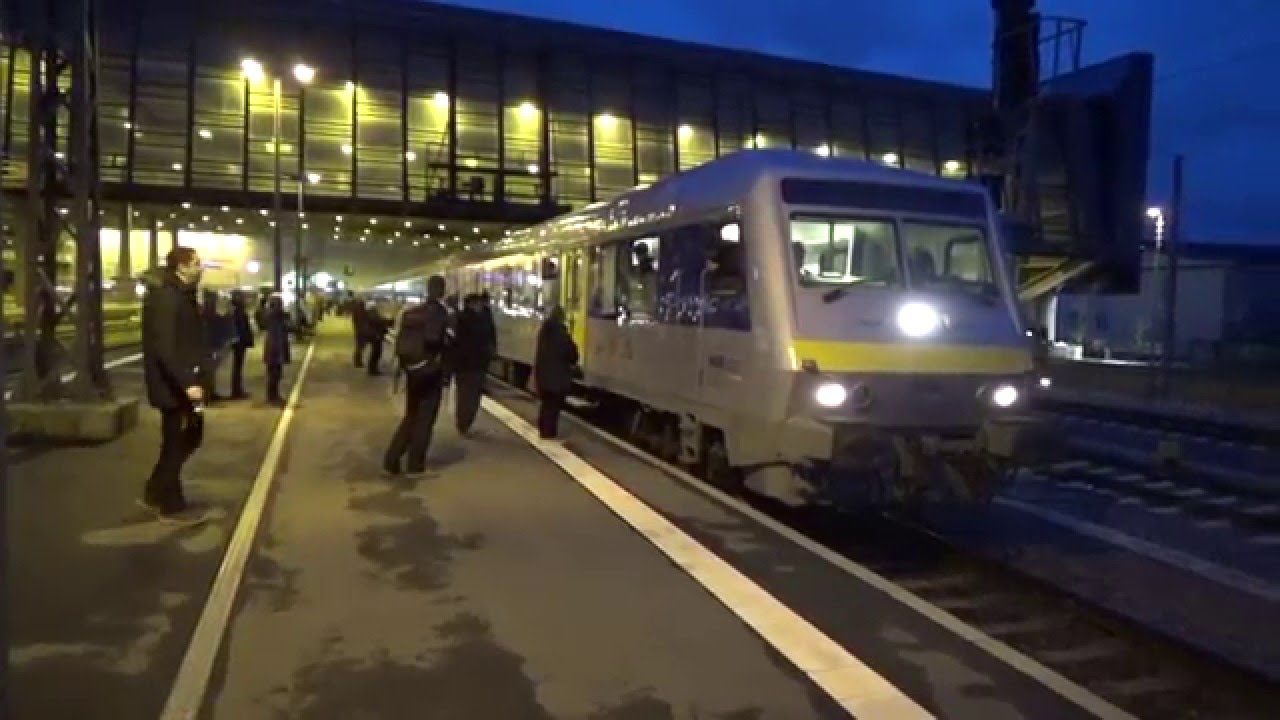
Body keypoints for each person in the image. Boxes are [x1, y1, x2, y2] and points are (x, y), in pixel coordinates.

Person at [139, 246, 209, 525]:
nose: (200, 268)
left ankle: (157, 490)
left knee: (189, 435)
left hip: (181, 383)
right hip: (172, 386)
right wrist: (187, 383)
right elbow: (165, 347)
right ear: (181, 266)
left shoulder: (182, 294)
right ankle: (169, 504)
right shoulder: (167, 298)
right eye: (196, 263)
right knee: (177, 440)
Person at [383, 275, 452, 478]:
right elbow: (437, 340)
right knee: (425, 419)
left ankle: (392, 458)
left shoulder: (412, 312)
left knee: (411, 416)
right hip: (430, 372)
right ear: (441, 291)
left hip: (412, 371)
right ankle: (415, 465)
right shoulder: (440, 313)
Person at [533, 304, 578, 441]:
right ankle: (549, 432)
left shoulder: (544, 332)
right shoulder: (562, 334)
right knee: (553, 406)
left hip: (543, 375)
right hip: (558, 377)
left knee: (546, 404)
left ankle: (543, 430)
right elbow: (572, 354)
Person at [452, 293, 493, 435]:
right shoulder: (477, 320)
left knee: (465, 395)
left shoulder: (462, 318)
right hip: (473, 364)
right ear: (471, 304)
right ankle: (464, 422)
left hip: (465, 365)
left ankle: (463, 422)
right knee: (471, 397)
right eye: (477, 303)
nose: (480, 306)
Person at [262, 294, 291, 406]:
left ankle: (274, 395)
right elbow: (277, 335)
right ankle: (272, 396)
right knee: (274, 374)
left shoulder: (275, 316)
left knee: (276, 373)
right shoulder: (274, 316)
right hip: (274, 349)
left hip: (274, 348)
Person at [228, 289, 254, 400]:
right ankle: (236, 391)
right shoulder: (238, 311)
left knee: (238, 366)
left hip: (239, 341)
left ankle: (237, 390)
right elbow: (240, 327)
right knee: (237, 366)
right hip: (239, 342)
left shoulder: (237, 310)